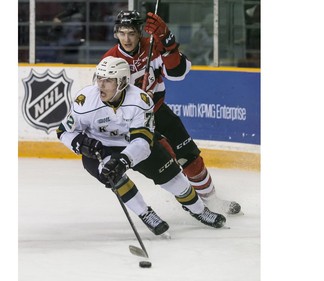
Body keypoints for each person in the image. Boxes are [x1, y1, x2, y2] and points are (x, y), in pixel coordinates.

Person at [56, 56, 226, 236]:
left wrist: (124, 160)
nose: (101, 85)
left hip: (134, 145)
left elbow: (143, 143)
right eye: (99, 78)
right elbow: (63, 131)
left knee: (174, 178)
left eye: (108, 80)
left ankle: (200, 210)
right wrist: (80, 144)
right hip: (101, 148)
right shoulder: (85, 101)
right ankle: (146, 214)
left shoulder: (140, 100)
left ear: (122, 82)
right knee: (114, 177)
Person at [102, 10, 241, 215]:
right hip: (134, 122)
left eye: (131, 33)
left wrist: (168, 43)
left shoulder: (153, 46)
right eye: (122, 33)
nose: (127, 38)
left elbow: (179, 73)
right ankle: (194, 205)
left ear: (139, 32)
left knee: (191, 158)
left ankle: (212, 201)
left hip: (159, 112)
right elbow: (105, 96)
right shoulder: (110, 60)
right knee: (168, 162)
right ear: (116, 34)